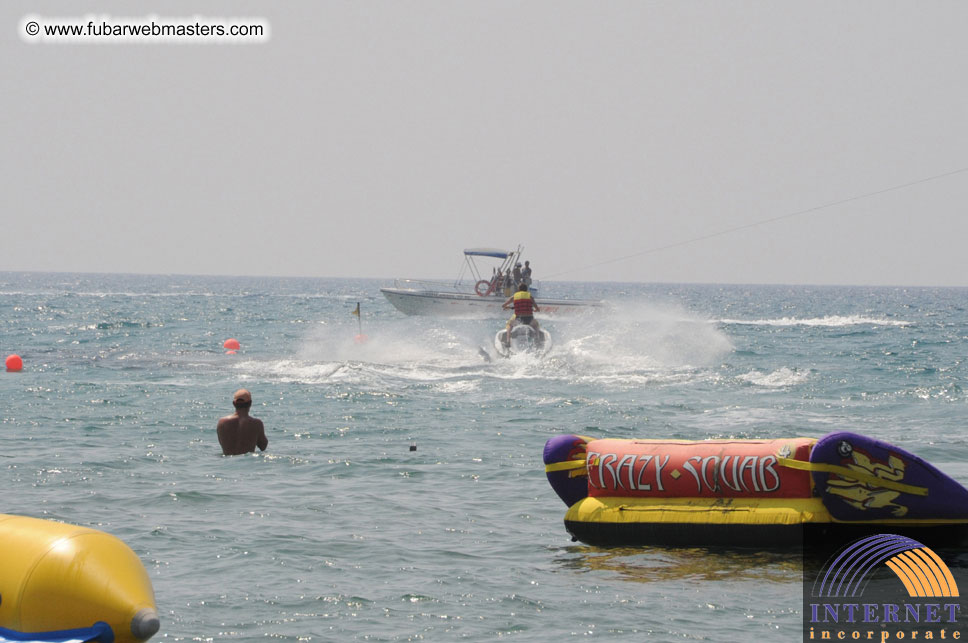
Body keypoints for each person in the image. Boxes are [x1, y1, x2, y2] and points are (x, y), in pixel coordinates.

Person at [217, 389, 268, 456]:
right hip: (248, 464)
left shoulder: (222, 422)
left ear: (234, 404)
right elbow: (263, 447)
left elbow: (221, 443)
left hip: (227, 464)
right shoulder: (257, 424)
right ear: (250, 403)